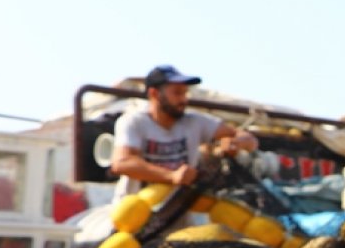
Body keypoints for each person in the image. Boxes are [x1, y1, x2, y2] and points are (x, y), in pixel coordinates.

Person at [110, 65, 259, 202]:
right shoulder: (133, 122)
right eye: (177, 93)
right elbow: (122, 163)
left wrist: (238, 142)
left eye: (185, 93)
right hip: (133, 218)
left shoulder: (194, 122)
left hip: (177, 216)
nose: (183, 99)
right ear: (154, 94)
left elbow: (246, 138)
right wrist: (171, 176)